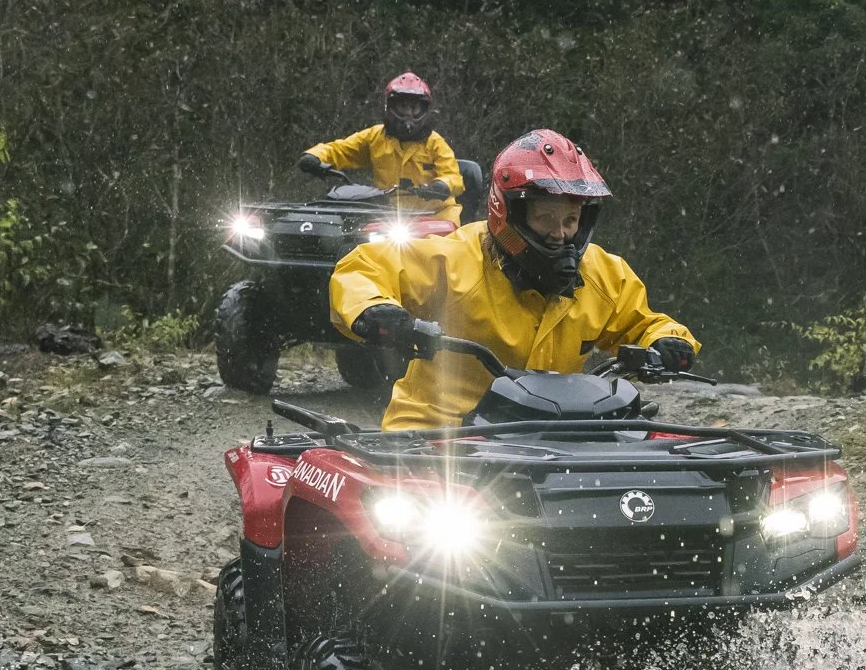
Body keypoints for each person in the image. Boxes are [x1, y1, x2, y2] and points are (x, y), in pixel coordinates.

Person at [328, 129, 699, 428]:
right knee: (400, 515)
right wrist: (377, 312)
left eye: (570, 220)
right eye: (545, 218)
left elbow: (644, 323)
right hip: (441, 433)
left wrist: (667, 342)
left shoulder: (604, 273)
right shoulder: (454, 257)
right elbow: (363, 269)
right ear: (506, 212)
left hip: (555, 434)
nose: (560, 234)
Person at [298, 72, 467, 222]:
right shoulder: (375, 137)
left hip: (436, 216)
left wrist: (441, 186)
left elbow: (453, 176)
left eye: (414, 108)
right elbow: (340, 150)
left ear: (424, 110)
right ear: (390, 107)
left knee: (439, 254)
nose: (408, 114)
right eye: (402, 107)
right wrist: (314, 156)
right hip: (391, 217)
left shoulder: (435, 143)